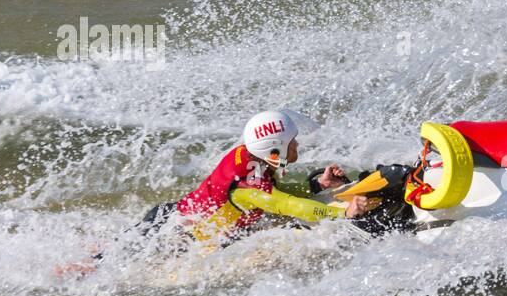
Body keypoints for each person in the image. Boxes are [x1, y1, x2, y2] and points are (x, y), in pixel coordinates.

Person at [56, 110, 371, 275]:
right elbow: (287, 205)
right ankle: (74, 269)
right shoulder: (248, 188)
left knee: (116, 252)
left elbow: (278, 189)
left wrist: (318, 184)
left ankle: (100, 250)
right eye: (292, 142)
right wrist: (341, 212)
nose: (297, 146)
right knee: (104, 270)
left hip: (172, 218)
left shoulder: (252, 158)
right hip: (172, 234)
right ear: (274, 149)